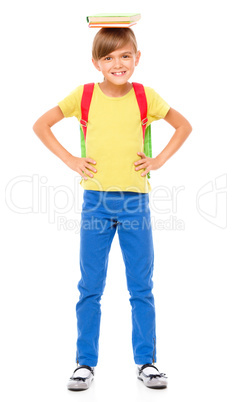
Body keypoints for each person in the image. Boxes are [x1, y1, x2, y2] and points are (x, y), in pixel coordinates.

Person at [33, 27, 192, 391]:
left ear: (137, 58)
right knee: (90, 285)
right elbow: (41, 125)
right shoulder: (84, 95)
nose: (117, 64)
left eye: (125, 56)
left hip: (136, 202)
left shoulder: (145, 96)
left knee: (141, 285)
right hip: (96, 203)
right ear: (96, 63)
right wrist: (72, 160)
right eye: (108, 58)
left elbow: (183, 125)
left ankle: (147, 363)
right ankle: (84, 364)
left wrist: (159, 160)